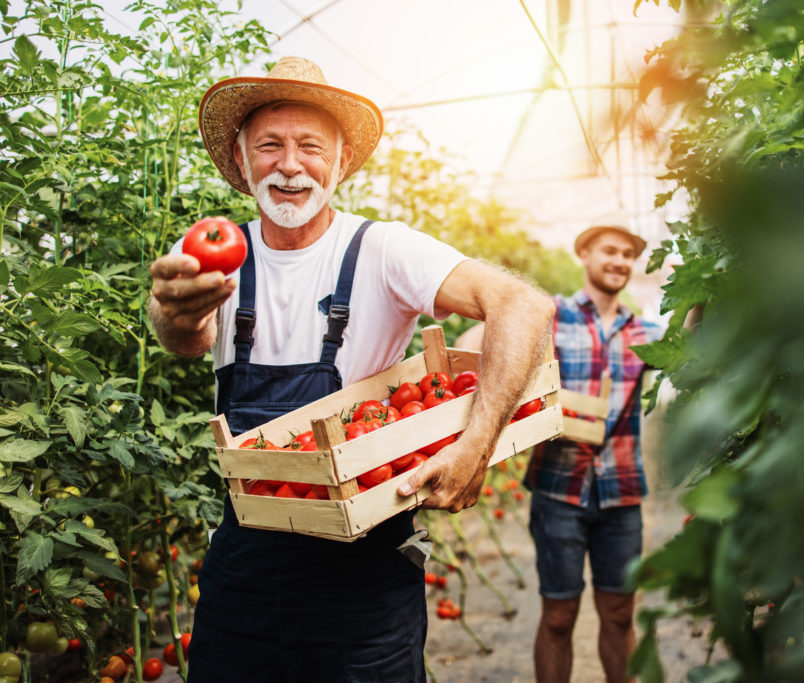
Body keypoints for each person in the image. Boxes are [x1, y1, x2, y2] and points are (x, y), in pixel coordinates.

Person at [148, 56, 553, 682]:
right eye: (270, 145)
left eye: (310, 147)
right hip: (247, 554)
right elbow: (185, 337)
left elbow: (521, 304)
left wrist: (479, 442)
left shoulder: (382, 249)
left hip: (368, 565)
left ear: (339, 162)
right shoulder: (214, 251)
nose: (289, 164)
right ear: (241, 158)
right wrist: (173, 310)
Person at [527, 217, 662, 683]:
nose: (619, 261)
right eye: (610, 251)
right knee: (559, 616)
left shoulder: (645, 333)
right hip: (558, 488)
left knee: (620, 613)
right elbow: (491, 341)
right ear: (584, 255)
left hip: (621, 491)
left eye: (628, 255)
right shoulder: (551, 315)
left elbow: (695, 343)